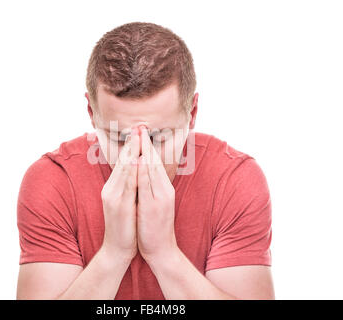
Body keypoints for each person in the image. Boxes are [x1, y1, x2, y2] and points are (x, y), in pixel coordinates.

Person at [16, 22, 274, 299]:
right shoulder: (53, 181)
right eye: (118, 138)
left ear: (192, 112)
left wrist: (164, 253)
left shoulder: (234, 180)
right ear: (92, 112)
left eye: (159, 138)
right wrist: (114, 254)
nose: (139, 156)